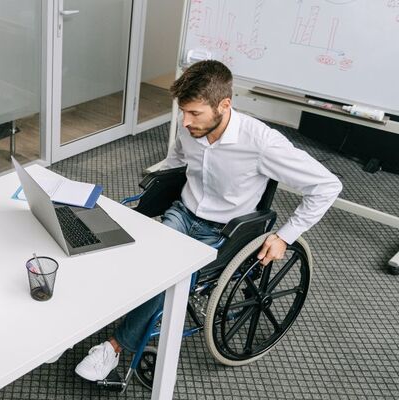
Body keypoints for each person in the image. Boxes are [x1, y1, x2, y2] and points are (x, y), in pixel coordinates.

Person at [75, 60, 343, 381]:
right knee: (127, 250)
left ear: (224, 105)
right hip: (182, 213)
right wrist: (152, 195)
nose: (185, 121)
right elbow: (176, 161)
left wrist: (285, 236)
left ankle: (114, 347)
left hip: (224, 235)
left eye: (194, 113)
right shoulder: (191, 127)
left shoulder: (261, 143)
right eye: (183, 112)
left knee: (165, 276)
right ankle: (78, 325)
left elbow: (327, 186)